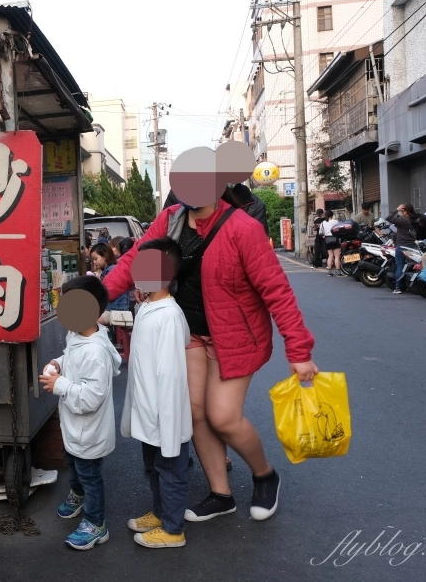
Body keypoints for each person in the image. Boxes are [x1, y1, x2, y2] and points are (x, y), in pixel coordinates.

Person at [102, 193, 317, 523]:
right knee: (195, 413)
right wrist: (96, 297)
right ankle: (221, 494)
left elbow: (277, 289)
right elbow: (134, 261)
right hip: (189, 332)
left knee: (224, 417)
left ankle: (264, 475)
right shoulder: (171, 218)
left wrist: (299, 350)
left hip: (235, 336)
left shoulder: (243, 228)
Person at [39, 276, 122, 550]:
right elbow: (71, 357)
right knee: (73, 462)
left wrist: (60, 385)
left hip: (89, 428)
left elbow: (91, 397)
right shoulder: (78, 335)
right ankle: (77, 494)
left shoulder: (96, 352)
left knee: (89, 474)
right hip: (74, 425)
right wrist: (59, 363)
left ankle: (97, 524)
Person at [122, 237, 193, 549]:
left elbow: (172, 375)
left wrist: (169, 424)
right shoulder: (149, 306)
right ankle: (162, 513)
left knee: (171, 470)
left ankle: (173, 530)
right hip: (149, 409)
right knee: (154, 467)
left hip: (167, 415)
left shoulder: (169, 316)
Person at [387, 203, 420, 294]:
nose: (401, 213)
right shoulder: (415, 220)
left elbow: (388, 218)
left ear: (405, 211)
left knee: (400, 266)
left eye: (402, 211)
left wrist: (396, 209)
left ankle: (398, 288)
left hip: (402, 246)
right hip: (413, 245)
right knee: (418, 265)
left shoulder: (403, 220)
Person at [319, 211, 342, 277]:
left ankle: (329, 271)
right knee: (337, 256)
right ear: (332, 215)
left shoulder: (323, 223)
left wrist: (325, 234)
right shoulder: (336, 222)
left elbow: (321, 232)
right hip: (335, 238)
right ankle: (338, 272)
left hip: (327, 239)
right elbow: (339, 229)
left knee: (330, 255)